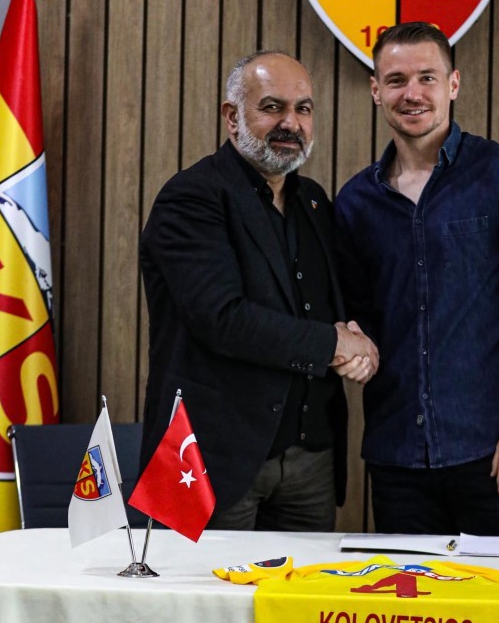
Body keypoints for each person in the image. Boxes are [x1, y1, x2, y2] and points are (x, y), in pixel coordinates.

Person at [335, 23, 499, 536]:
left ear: (453, 84)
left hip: (496, 452)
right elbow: (359, 315)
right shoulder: (355, 202)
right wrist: (353, 345)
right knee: (408, 591)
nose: (413, 93)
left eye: (427, 77)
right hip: (398, 458)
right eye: (396, 80)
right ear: (376, 90)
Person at [140, 50, 378, 533]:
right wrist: (334, 344)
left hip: (310, 461)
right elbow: (223, 320)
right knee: (205, 587)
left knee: (300, 587)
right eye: (272, 107)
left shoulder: (313, 202)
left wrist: (358, 347)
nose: (291, 123)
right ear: (232, 117)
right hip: (212, 460)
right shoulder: (191, 198)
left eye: (303, 109)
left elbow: (330, 310)